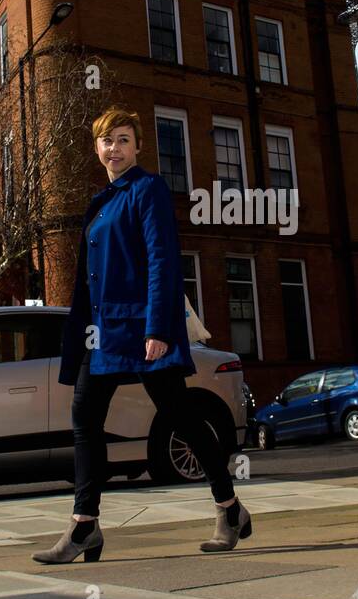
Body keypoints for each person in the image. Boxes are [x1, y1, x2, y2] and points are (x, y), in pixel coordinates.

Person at [33, 106, 250, 564]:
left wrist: (157, 328)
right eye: (107, 140)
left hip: (142, 329)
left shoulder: (147, 189)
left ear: (137, 147)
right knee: (85, 418)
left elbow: (161, 259)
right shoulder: (104, 199)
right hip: (103, 334)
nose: (115, 148)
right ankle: (84, 525)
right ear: (97, 148)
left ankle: (228, 508)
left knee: (183, 419)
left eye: (124, 139)